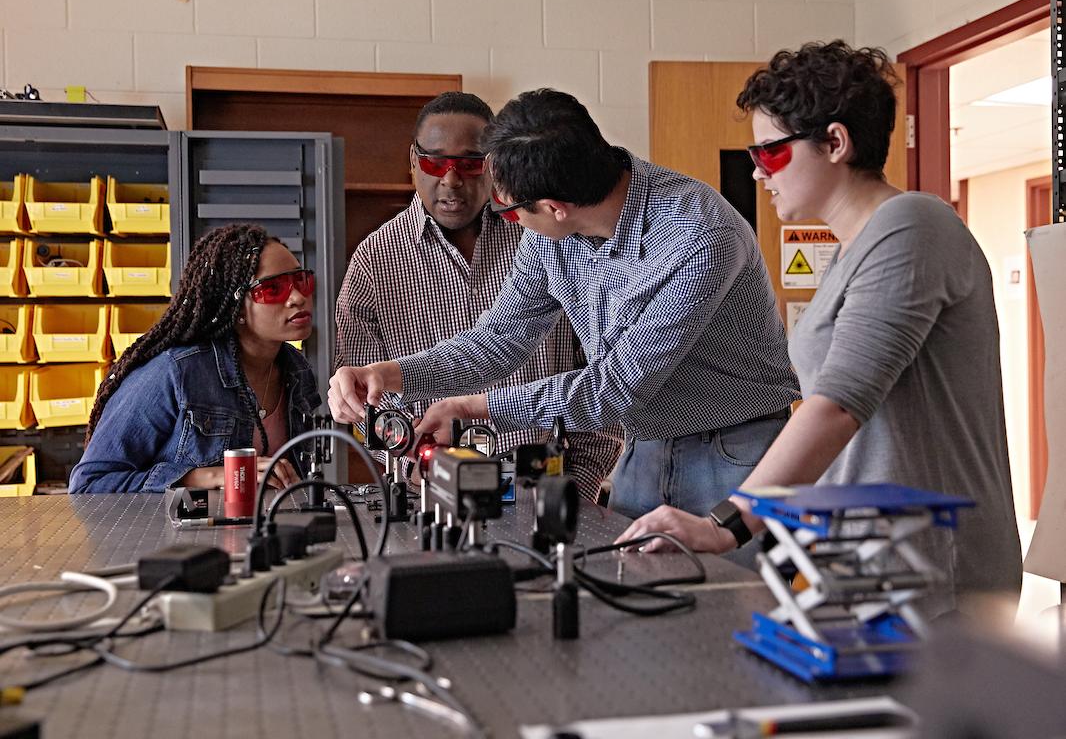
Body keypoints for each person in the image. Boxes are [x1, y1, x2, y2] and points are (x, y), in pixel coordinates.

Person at [617, 41, 1023, 615]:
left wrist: (725, 525)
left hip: (933, 572)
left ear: (835, 142)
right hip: (864, 562)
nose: (758, 172)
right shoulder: (850, 252)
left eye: (772, 154)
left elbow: (835, 406)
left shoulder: (913, 225)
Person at [329, 88, 800, 531]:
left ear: (555, 207)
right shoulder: (550, 231)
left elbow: (614, 388)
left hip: (735, 450)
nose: (509, 222)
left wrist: (473, 407)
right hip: (647, 445)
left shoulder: (697, 235)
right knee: (634, 594)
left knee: (732, 606)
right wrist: (390, 375)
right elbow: (496, 342)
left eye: (512, 213)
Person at [334, 92, 622, 501]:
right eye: (435, 163)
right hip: (435, 493)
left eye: (470, 165)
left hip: (548, 484)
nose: (451, 180)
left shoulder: (545, 235)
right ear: (413, 161)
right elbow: (365, 412)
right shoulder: (374, 261)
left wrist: (578, 484)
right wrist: (406, 463)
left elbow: (602, 371)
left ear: (495, 165)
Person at [69, 223, 319, 493]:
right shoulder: (176, 372)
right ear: (236, 307)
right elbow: (89, 483)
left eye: (301, 281)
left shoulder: (297, 370)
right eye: (273, 289)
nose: (297, 298)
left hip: (264, 531)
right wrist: (205, 478)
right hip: (178, 535)